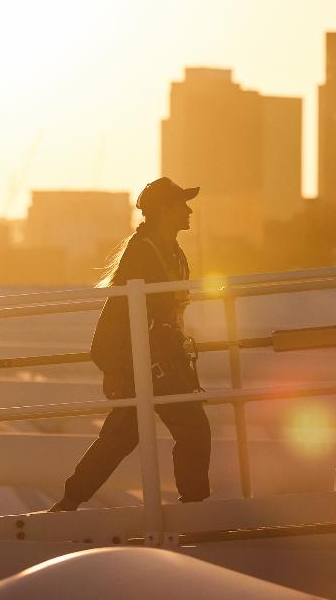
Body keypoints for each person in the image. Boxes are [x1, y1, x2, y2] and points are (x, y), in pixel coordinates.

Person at [48, 177, 211, 512]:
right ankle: (195, 510)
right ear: (165, 210)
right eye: (182, 204)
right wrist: (114, 369)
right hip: (151, 364)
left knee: (121, 436)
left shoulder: (172, 252)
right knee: (194, 429)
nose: (189, 209)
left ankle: (69, 502)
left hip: (162, 360)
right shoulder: (143, 253)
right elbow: (117, 314)